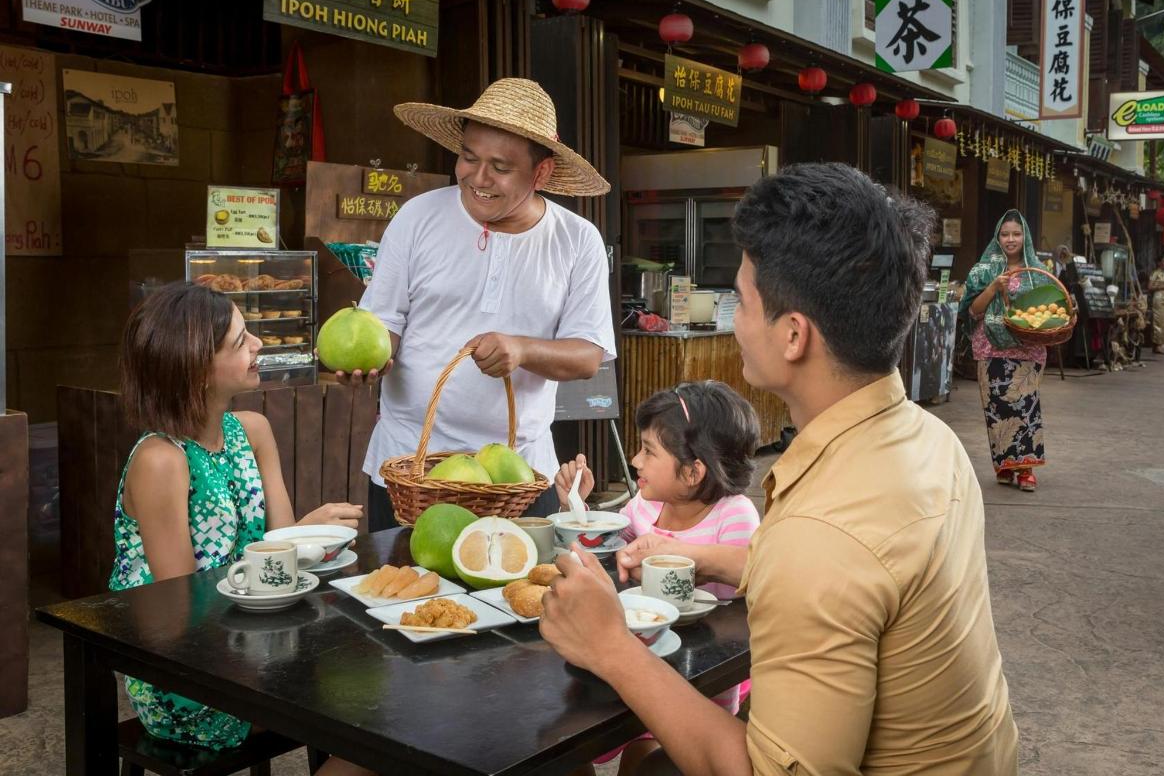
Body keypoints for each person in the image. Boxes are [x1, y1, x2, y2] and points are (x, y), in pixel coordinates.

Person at [539, 163, 1018, 776]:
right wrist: (690, 554)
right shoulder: (929, 439)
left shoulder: (821, 537)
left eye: (741, 300)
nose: (735, 320)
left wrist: (608, 647)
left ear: (794, 334)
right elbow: (831, 576)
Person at [111, 283, 370, 776]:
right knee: (375, 716)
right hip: (187, 676)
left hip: (258, 643)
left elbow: (282, 561)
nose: (258, 345)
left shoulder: (251, 429)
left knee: (381, 691)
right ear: (194, 368)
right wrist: (297, 537)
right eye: (240, 341)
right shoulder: (160, 459)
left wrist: (307, 538)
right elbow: (179, 608)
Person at [342, 78, 616, 530]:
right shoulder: (418, 217)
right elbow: (384, 321)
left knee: (518, 597)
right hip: (411, 468)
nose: (478, 178)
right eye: (468, 157)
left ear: (542, 172)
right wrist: (368, 358)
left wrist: (523, 350)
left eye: (501, 167)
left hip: (519, 474)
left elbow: (588, 354)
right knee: (403, 596)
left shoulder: (577, 240)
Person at [554, 381, 761, 776]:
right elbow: (606, 554)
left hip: (699, 689)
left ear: (692, 471)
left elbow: (750, 586)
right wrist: (576, 509)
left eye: (649, 451)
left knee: (640, 763)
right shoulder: (644, 507)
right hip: (634, 664)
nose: (634, 460)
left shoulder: (734, 516)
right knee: (566, 755)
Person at [961, 209, 1054, 492]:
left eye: (1016, 234)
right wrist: (992, 288)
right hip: (989, 348)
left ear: (1024, 237)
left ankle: (1025, 468)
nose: (1010, 239)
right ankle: (1004, 465)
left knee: (1025, 407)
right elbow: (973, 311)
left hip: (1028, 350)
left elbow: (1049, 309)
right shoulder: (982, 270)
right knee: (997, 409)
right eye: (1005, 234)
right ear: (997, 237)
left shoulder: (1038, 273)